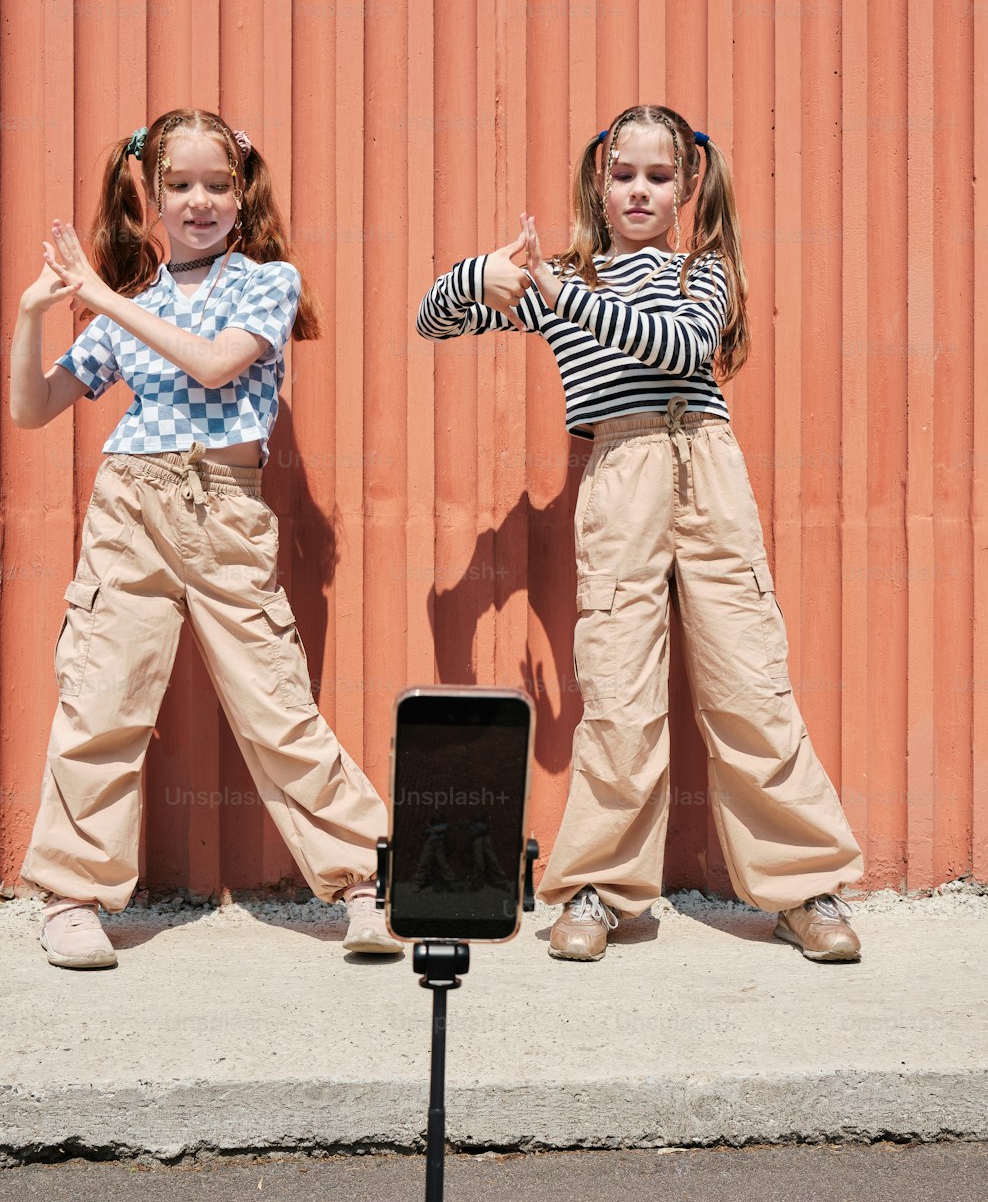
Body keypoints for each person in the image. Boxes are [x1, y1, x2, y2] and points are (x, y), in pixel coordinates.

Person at [416, 103, 864, 964]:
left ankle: (804, 887)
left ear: (688, 184)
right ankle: (600, 885)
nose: (639, 191)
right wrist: (487, 275)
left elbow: (678, 351)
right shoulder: (564, 279)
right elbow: (434, 320)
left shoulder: (703, 271)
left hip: (707, 470)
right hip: (619, 476)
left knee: (749, 682)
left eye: (659, 177)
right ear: (599, 178)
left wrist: (558, 291)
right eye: (624, 174)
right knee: (619, 690)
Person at [10, 108, 401, 968]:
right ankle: (74, 896)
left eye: (216, 186)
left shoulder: (266, 280)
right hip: (129, 508)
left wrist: (101, 296)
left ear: (241, 191)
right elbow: (32, 409)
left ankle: (366, 884)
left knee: (277, 705)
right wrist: (37, 314)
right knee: (100, 697)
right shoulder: (132, 307)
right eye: (179, 186)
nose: (198, 202)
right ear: (150, 195)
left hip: (222, 506)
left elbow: (217, 364)